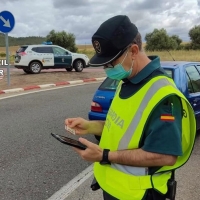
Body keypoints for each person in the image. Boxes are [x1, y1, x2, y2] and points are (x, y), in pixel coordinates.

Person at [65, 15, 196, 200]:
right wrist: (89, 126)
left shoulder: (163, 95)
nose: (107, 69)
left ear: (133, 50)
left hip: (139, 195)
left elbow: (165, 156)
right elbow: (122, 127)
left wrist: (104, 155)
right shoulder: (126, 80)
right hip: (113, 189)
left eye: (111, 63)